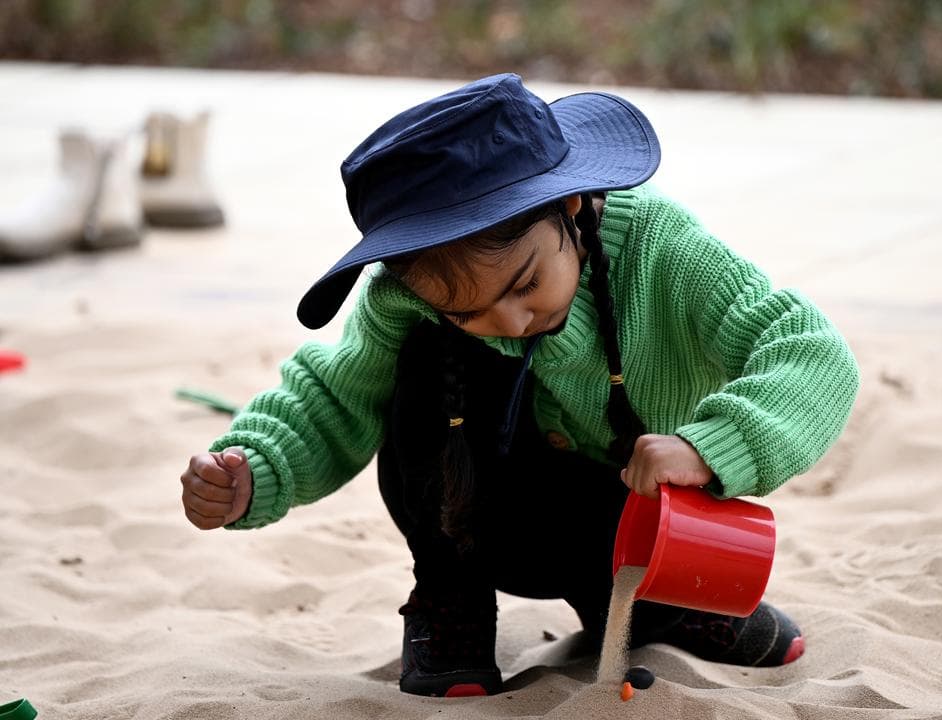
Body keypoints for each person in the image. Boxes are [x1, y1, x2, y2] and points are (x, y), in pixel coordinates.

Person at [178, 73, 859, 698]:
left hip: (639, 517)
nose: (509, 321)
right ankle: (452, 603)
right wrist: (256, 467)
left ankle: (668, 605)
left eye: (526, 283)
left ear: (570, 203)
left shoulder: (663, 249)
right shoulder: (406, 299)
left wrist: (711, 446)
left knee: (649, 599)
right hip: (480, 515)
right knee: (426, 357)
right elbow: (335, 393)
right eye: (467, 310)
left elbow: (811, 351)